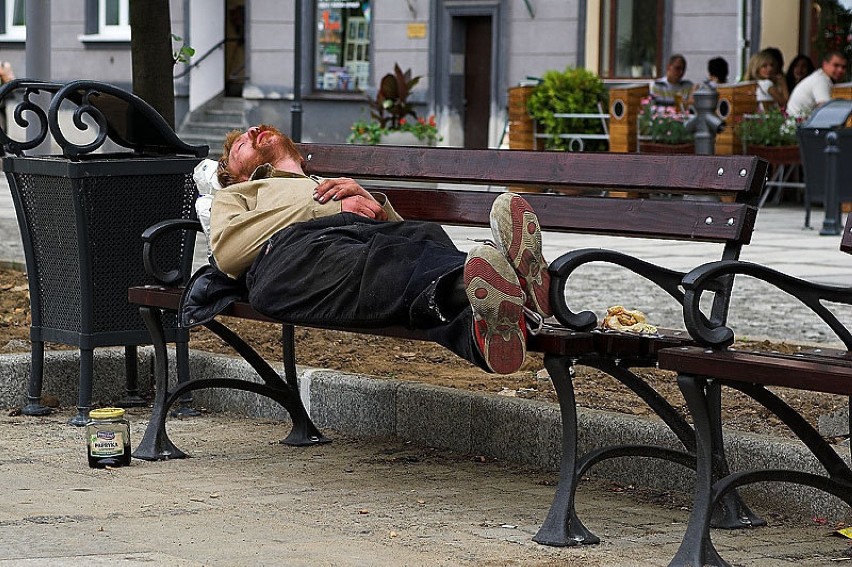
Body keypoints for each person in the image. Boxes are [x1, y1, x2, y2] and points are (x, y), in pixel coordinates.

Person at [207, 124, 552, 376]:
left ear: (296, 153)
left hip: (357, 246)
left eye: (254, 131)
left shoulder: (326, 185)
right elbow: (228, 252)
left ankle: (485, 333)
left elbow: (401, 242)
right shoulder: (239, 194)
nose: (252, 132)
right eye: (241, 146)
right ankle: (508, 283)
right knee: (383, 265)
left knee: (421, 238)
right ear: (236, 176)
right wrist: (329, 210)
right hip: (289, 257)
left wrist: (375, 206)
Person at [786, 50, 849, 117]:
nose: (840, 70)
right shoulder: (821, 80)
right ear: (825, 64)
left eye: (843, 67)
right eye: (836, 65)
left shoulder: (820, 77)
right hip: (797, 126)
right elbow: (826, 110)